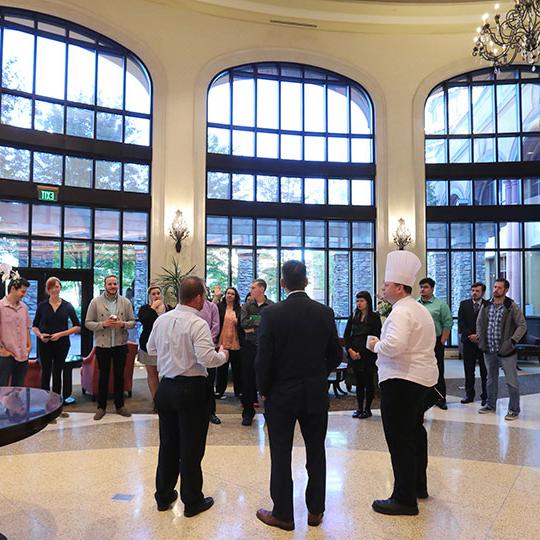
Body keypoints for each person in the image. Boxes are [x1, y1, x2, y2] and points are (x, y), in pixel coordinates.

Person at [255, 260, 342, 531]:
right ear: (306, 282)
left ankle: (283, 514)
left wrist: (265, 389)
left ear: (282, 284)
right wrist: (317, 375)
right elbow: (335, 356)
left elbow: (263, 359)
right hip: (315, 392)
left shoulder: (272, 314)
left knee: (280, 453)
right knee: (316, 451)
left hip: (281, 394)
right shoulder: (324, 312)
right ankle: (315, 510)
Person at [147, 276, 229, 516]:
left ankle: (163, 496)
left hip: (166, 389)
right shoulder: (198, 323)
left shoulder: (162, 320)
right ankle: (192, 501)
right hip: (191, 390)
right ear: (199, 298)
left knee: (168, 444)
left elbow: (151, 349)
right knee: (191, 448)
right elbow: (208, 359)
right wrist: (223, 355)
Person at [367, 250, 438, 516]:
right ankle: (418, 486)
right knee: (415, 435)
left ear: (398, 287)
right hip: (419, 382)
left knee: (400, 440)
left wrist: (375, 345)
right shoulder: (417, 309)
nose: (382, 289)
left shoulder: (400, 312)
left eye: (386, 285)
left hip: (402, 382)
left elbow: (394, 346)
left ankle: (404, 499)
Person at [85, 275, 136, 420]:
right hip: (103, 345)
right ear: (105, 285)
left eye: (115, 284)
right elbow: (88, 323)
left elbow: (133, 322)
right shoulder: (95, 302)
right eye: (110, 284)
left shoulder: (125, 302)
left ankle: (120, 406)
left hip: (120, 344)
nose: (113, 286)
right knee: (103, 377)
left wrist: (123, 324)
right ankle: (101, 407)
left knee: (120, 376)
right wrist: (103, 324)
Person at [476, 278, 527, 420]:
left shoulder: (511, 306)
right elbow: (479, 323)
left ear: (506, 290)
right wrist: (480, 338)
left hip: (507, 351)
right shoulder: (486, 305)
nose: (495, 290)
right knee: (491, 379)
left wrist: (512, 341)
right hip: (489, 349)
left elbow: (522, 325)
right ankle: (490, 405)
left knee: (512, 381)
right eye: (494, 287)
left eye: (499, 287)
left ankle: (514, 410)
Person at [32, 277, 80, 414]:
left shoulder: (67, 305)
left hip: (62, 344)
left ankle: (57, 405)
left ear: (60, 288)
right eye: (51, 287)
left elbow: (77, 327)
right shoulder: (42, 305)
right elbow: (34, 326)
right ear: (48, 290)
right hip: (45, 344)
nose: (54, 289)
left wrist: (61, 334)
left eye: (57, 286)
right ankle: (44, 404)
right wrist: (40, 335)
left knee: (58, 372)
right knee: (46, 373)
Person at [344, 291, 382, 419]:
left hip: (367, 354)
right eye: (357, 301)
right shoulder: (353, 316)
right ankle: (359, 407)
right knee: (358, 382)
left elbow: (376, 336)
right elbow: (346, 335)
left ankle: (368, 409)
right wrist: (350, 350)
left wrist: (361, 353)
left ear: (368, 302)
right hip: (354, 354)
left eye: (362, 301)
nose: (359, 303)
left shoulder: (374, 317)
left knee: (368, 382)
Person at [240, 279, 274, 426]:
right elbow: (243, 324)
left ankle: (270, 412)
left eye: (253, 287)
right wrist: (260, 322)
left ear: (262, 289)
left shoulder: (272, 306)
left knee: (267, 380)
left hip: (267, 348)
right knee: (248, 381)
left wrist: (254, 323)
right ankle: (248, 413)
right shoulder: (246, 306)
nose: (251, 290)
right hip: (250, 347)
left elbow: (271, 325)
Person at [418, 277, 452, 410]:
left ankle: (440, 398)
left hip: (435, 341)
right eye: (421, 287)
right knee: (421, 370)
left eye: (425, 287)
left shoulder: (440, 305)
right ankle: (423, 398)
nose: (422, 289)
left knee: (438, 370)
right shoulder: (416, 304)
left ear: (432, 289)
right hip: (419, 342)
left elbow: (448, 324)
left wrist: (442, 341)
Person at [138, 285, 172, 406]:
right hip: (148, 345)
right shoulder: (145, 309)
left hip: (167, 346)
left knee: (168, 373)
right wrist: (153, 308)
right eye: (153, 294)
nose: (156, 295)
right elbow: (146, 320)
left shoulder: (169, 309)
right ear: (149, 296)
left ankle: (165, 399)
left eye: (158, 293)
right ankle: (156, 401)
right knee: (152, 373)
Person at [457, 282, 488, 405]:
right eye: (473, 290)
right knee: (468, 369)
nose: (474, 293)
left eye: (477, 291)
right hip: (468, 342)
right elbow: (461, 322)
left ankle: (485, 395)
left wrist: (479, 336)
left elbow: (489, 324)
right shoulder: (464, 304)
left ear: (483, 292)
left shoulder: (488, 305)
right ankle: (469, 394)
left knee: (484, 370)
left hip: (483, 342)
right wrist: (470, 335)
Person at [0, 277, 32, 386]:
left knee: (18, 388)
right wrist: (2, 351)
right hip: (5, 355)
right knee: (2, 388)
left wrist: (29, 346)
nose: (24, 294)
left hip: (22, 355)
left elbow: (27, 327)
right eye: (22, 291)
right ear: (13, 289)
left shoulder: (24, 308)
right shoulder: (0, 307)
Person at [217, 287, 243, 398]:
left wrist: (238, 322)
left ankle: (239, 391)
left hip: (235, 341)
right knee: (222, 367)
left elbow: (244, 323)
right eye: (228, 293)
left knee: (237, 368)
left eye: (232, 294)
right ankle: (219, 390)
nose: (229, 295)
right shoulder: (219, 307)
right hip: (222, 341)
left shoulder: (239, 309)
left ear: (235, 296)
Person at [198, 297, 221, 425]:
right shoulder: (189, 308)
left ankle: (211, 412)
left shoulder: (212, 306)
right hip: (192, 351)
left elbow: (215, 326)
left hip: (209, 347)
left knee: (209, 383)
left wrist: (206, 341)